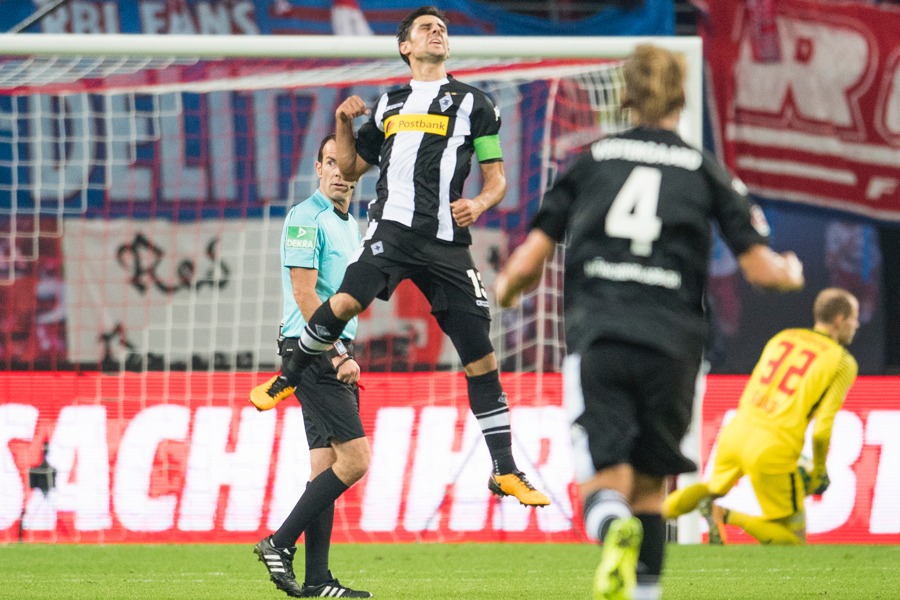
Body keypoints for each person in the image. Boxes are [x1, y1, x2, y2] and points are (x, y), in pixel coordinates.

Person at [494, 44, 804, 600]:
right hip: (675, 346)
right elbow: (762, 269)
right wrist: (791, 271)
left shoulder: (590, 161)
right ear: (681, 95)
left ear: (627, 96)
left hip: (602, 336)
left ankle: (613, 532)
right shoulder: (706, 170)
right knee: (652, 489)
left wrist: (508, 289)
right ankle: (644, 591)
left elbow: (526, 261)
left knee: (603, 484)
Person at [251, 5, 550, 508]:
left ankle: (505, 469)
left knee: (481, 357)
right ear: (405, 47)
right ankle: (291, 373)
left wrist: (477, 202)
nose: (438, 32)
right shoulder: (389, 103)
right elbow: (350, 166)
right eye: (426, 28)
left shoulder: (476, 103)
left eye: (443, 28)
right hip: (392, 229)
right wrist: (345, 123)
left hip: (447, 243)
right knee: (345, 301)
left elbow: (496, 178)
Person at [253, 134, 372, 598]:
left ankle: (319, 579)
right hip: (312, 350)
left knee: (326, 466)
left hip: (329, 347)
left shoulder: (350, 224)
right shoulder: (306, 218)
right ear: (318, 169)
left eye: (346, 164)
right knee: (357, 460)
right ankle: (279, 543)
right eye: (331, 163)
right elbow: (305, 296)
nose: (340, 171)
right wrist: (337, 353)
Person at [663, 288, 859, 546]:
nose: (856, 325)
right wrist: (820, 472)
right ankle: (726, 515)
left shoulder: (783, 338)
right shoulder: (842, 362)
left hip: (737, 429)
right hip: (773, 446)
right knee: (792, 540)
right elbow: (822, 430)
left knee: (713, 487)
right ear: (839, 319)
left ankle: (642, 518)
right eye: (854, 319)